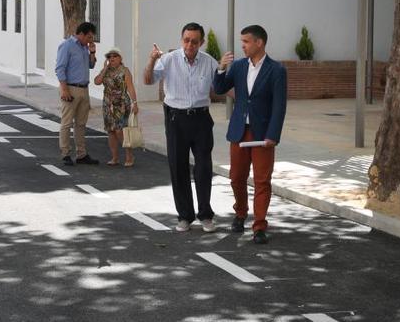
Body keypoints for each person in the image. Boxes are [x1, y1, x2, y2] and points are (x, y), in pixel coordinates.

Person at [213, 25, 287, 245]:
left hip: (263, 134)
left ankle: (260, 226)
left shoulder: (277, 70)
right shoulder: (237, 67)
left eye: (246, 41)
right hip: (239, 131)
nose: (242, 45)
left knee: (262, 181)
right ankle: (241, 213)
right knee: (236, 177)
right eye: (242, 41)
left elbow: (279, 106)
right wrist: (221, 68)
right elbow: (219, 89)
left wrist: (273, 135)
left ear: (259, 43)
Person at [143, 22, 219, 233]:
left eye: (195, 41)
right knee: (178, 167)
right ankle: (185, 216)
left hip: (201, 119)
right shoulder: (168, 60)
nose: (190, 45)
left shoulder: (209, 63)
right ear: (181, 39)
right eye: (186, 40)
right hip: (176, 119)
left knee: (204, 167)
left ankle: (205, 215)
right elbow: (148, 80)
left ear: (201, 42)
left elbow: (222, 87)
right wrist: (151, 60)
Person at [55, 22, 99, 166]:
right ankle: (65, 153)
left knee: (81, 123)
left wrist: (92, 52)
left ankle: (81, 154)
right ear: (81, 34)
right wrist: (64, 89)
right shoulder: (67, 46)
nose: (90, 40)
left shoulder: (84, 47)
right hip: (71, 88)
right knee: (67, 123)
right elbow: (60, 68)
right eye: (89, 37)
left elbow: (91, 65)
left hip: (84, 89)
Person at [93, 47, 139, 167]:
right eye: (109, 57)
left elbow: (130, 87)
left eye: (114, 56)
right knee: (110, 130)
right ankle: (115, 157)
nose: (112, 59)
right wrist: (104, 69)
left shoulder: (125, 71)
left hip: (122, 103)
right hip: (108, 104)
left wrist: (135, 102)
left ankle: (129, 155)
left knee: (120, 130)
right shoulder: (106, 71)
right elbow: (97, 82)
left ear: (120, 58)